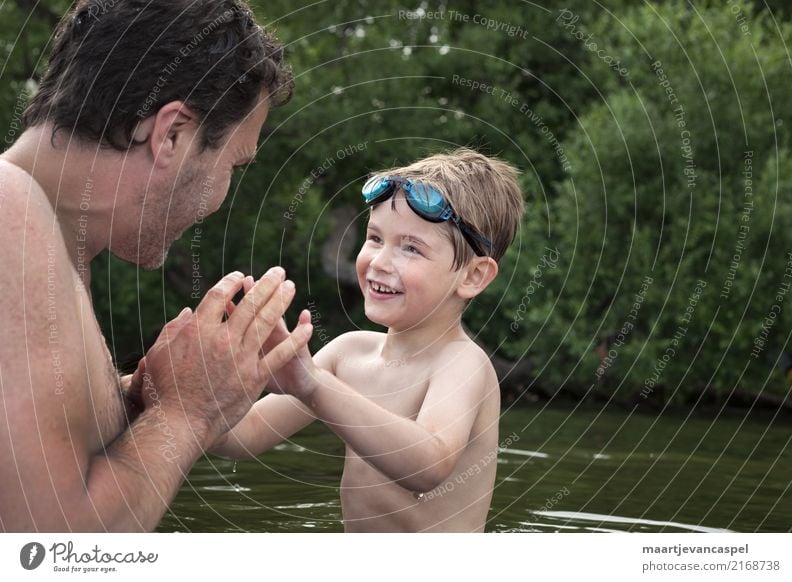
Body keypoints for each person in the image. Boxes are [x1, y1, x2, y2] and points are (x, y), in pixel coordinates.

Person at [0, 0, 311, 531]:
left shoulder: (48, 239)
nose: (221, 197)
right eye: (234, 164)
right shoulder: (8, 210)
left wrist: (144, 400)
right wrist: (186, 413)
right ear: (171, 134)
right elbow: (51, 547)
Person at [211, 148, 525, 532]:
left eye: (411, 248)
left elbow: (428, 465)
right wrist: (171, 391)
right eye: (375, 238)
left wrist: (315, 385)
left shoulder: (461, 364)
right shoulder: (347, 354)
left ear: (473, 277)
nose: (378, 261)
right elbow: (243, 438)